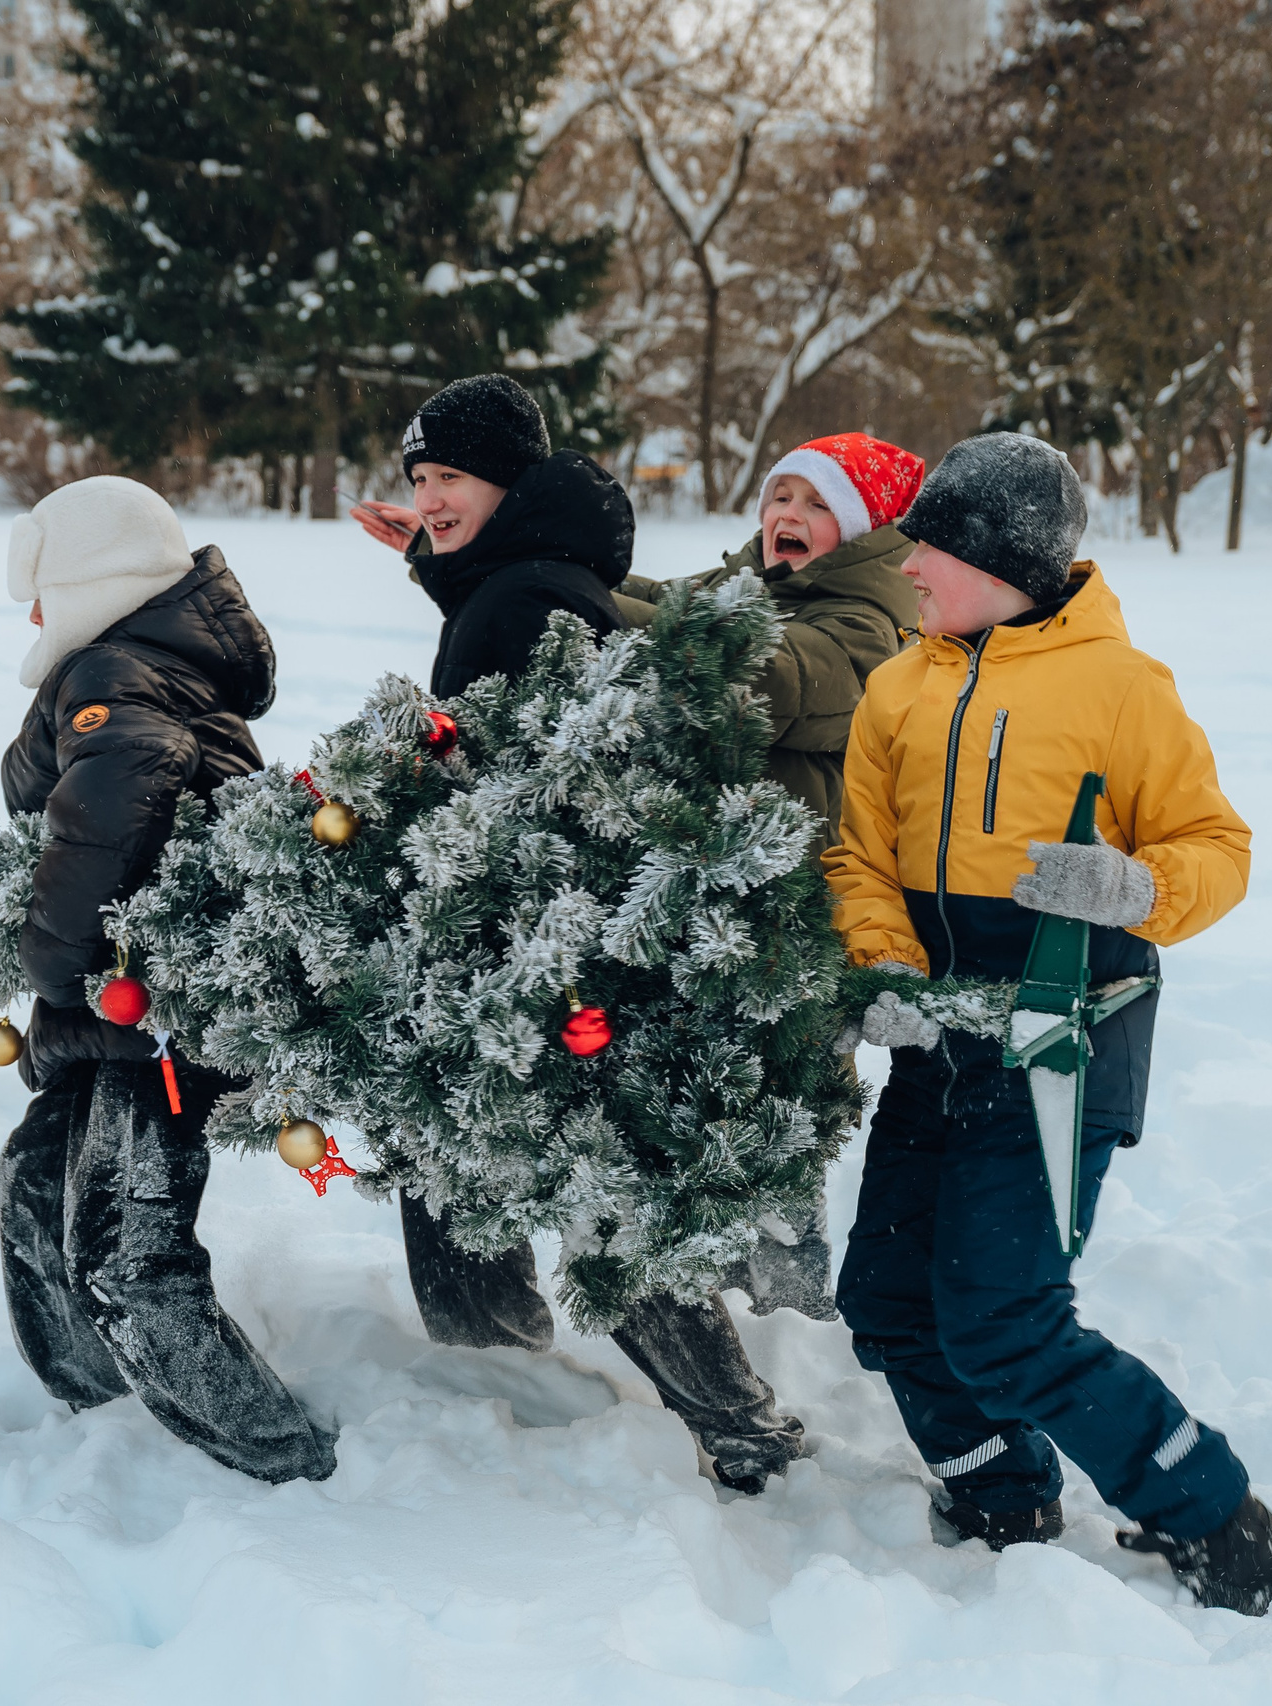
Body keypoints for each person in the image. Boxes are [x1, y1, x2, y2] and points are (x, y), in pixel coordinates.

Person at [824, 433, 1272, 1612]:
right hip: (937, 1035)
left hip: (1060, 1039)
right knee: (883, 1299)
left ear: (996, 559)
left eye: (927, 545)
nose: (909, 565)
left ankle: (1215, 1514)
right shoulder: (898, 682)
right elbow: (858, 855)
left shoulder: (1121, 688)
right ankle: (999, 1490)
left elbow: (1216, 848)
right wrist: (885, 966)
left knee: (1001, 1319)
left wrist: (1137, 888)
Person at [349, 374, 807, 1495]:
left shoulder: (524, 596)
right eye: (418, 477)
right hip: (538, 933)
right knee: (527, 1163)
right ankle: (672, 1407)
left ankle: (527, 1378)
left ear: (507, 480)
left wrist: (430, 778)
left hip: (543, 941)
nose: (431, 495)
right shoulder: (526, 576)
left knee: (553, 1173)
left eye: (450, 475)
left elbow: (538, 777)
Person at [0, 474, 334, 1485]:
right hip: (124, 1000)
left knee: (127, 1256)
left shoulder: (118, 673)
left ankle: (288, 1462)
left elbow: (120, 788)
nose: (35, 612)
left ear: (95, 579)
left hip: (166, 1002)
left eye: (45, 585)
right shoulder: (133, 662)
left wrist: (48, 957)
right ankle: (100, 1412)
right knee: (35, 1178)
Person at [611, 432, 928, 1319]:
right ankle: (716, 1286)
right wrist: (502, 564)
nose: (786, 516)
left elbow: (762, 677)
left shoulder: (874, 623)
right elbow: (654, 599)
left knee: (783, 1121)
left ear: (864, 527)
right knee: (713, 1109)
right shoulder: (752, 585)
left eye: (817, 504)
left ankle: (792, 1311)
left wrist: (562, 602)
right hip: (726, 910)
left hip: (805, 922)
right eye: (779, 496)